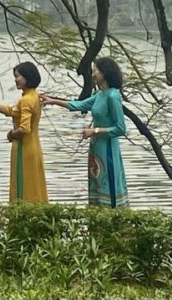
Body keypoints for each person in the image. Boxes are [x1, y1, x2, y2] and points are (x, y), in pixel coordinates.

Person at [41, 56, 128, 208]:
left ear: (105, 73)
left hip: (108, 148)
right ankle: (97, 217)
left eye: (95, 71)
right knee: (96, 181)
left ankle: (112, 214)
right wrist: (53, 101)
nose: (93, 74)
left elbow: (120, 128)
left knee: (108, 181)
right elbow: (78, 105)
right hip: (96, 147)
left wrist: (94, 130)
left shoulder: (113, 96)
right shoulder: (100, 95)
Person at [0, 61, 48, 202]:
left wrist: (11, 134)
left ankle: (22, 216)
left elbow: (24, 129)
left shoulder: (26, 100)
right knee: (34, 183)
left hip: (24, 148)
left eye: (18, 76)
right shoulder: (33, 96)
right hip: (34, 146)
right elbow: (12, 111)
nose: (15, 79)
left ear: (27, 76)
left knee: (23, 184)